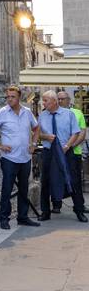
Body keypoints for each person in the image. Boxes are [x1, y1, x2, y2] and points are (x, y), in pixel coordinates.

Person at [0, 86, 40, 230]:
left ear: (19, 97)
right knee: (7, 188)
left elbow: (36, 128)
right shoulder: (2, 112)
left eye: (12, 96)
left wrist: (33, 144)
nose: (9, 99)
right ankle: (4, 218)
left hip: (25, 157)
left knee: (24, 188)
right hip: (9, 158)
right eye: (7, 97)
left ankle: (23, 217)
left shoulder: (27, 112)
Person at [37, 89, 86, 222]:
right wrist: (46, 136)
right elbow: (37, 134)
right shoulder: (42, 116)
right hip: (48, 152)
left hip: (66, 150)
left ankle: (79, 210)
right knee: (46, 181)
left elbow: (75, 132)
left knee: (73, 180)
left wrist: (67, 146)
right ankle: (45, 212)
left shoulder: (68, 114)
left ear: (54, 101)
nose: (43, 103)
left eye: (45, 100)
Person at [57, 91, 86, 213]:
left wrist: (70, 146)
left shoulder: (77, 113)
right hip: (58, 152)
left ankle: (79, 206)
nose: (59, 101)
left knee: (75, 180)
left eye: (62, 99)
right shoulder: (54, 113)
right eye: (58, 99)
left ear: (69, 100)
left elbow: (82, 133)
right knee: (57, 178)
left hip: (74, 152)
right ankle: (56, 205)